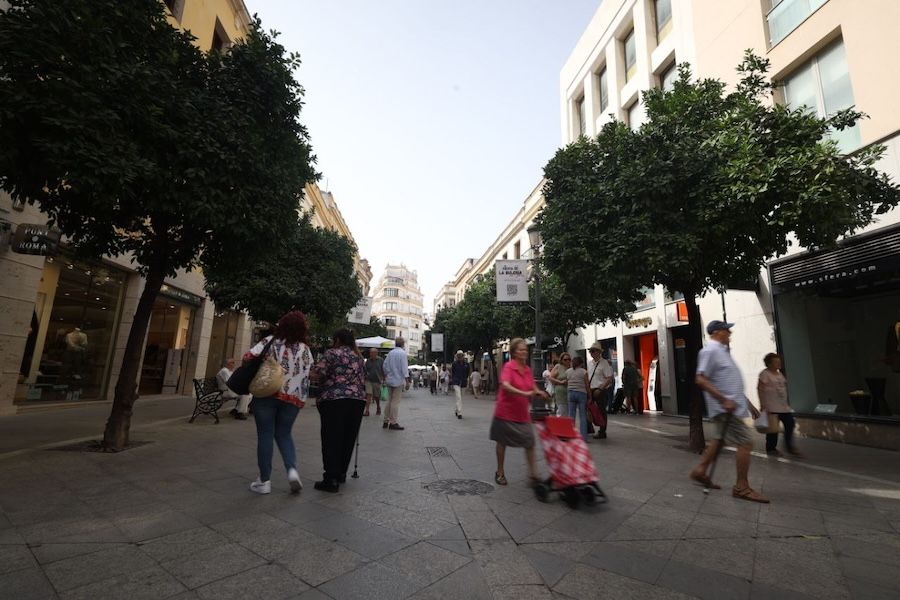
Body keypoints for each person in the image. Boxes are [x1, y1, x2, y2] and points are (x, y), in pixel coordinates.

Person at [689, 320, 769, 503]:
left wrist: (750, 407)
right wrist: (723, 399)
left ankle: (700, 470)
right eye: (727, 330)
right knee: (746, 442)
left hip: (730, 407)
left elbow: (731, 383)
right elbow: (700, 380)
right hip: (725, 408)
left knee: (719, 440)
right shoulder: (709, 351)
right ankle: (742, 487)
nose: (730, 333)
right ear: (717, 332)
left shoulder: (723, 352)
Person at [243, 311, 312, 495]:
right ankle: (292, 471)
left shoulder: (270, 341)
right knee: (284, 434)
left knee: (265, 434)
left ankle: (264, 481)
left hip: (267, 393)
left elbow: (248, 357)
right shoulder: (306, 349)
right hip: (294, 398)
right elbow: (308, 373)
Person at [310, 329, 366, 493]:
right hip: (357, 400)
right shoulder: (359, 357)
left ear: (337, 339)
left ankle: (331, 478)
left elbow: (318, 373)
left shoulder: (331, 353)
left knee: (332, 438)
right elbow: (363, 378)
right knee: (348, 438)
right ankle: (341, 473)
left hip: (334, 399)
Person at [491, 338, 549, 486]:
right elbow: (505, 385)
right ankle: (500, 471)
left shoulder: (528, 369)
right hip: (505, 412)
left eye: (525, 349)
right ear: (514, 352)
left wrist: (539, 392)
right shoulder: (509, 367)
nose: (524, 351)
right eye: (521, 349)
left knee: (529, 441)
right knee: (502, 442)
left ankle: (533, 474)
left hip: (522, 414)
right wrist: (523, 393)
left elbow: (532, 385)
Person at [758, 353, 803, 458]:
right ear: (769, 364)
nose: (778, 363)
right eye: (775, 362)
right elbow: (760, 389)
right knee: (773, 429)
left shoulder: (779, 374)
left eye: (779, 361)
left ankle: (789, 447)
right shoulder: (765, 374)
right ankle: (771, 449)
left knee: (790, 424)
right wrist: (763, 405)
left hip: (783, 407)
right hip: (771, 407)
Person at [382, 337, 411, 430]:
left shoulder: (390, 353)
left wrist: (387, 374)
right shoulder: (402, 354)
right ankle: (393, 422)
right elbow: (404, 368)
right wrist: (407, 381)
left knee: (389, 400)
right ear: (403, 344)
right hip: (398, 380)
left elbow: (385, 366)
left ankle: (385, 421)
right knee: (395, 402)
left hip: (389, 379)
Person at [587, 342, 613, 439]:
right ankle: (589, 428)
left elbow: (609, 378)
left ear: (599, 352)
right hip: (591, 390)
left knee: (601, 411)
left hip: (600, 390)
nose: (591, 353)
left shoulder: (604, 363)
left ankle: (602, 431)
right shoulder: (590, 363)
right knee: (588, 409)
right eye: (590, 351)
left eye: (593, 351)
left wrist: (600, 388)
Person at [565, 356, 591, 441]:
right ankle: (583, 437)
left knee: (571, 415)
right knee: (582, 416)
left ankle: (570, 435)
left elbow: (567, 382)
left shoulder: (568, 371)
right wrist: (589, 395)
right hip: (581, 393)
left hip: (571, 393)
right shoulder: (584, 372)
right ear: (581, 363)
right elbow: (587, 385)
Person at [364, 348, 384, 417]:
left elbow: (383, 370)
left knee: (376, 396)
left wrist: (384, 379)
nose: (371, 354)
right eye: (370, 353)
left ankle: (378, 407)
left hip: (377, 381)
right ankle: (367, 410)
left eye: (372, 353)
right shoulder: (368, 361)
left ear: (376, 353)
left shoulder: (381, 360)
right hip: (368, 380)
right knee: (368, 394)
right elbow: (365, 370)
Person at [450, 350, 470, 419]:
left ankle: (456, 409)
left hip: (463, 382)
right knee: (458, 397)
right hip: (456, 382)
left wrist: (466, 380)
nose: (460, 356)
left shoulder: (466, 364)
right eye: (459, 355)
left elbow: (468, 373)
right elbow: (453, 373)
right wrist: (453, 381)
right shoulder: (454, 364)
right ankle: (459, 413)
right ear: (457, 356)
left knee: (461, 398)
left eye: (461, 355)